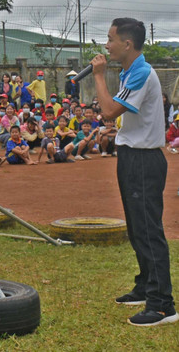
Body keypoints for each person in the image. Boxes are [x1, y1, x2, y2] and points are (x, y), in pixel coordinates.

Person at [91, 18, 176, 326]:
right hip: (132, 154)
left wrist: (98, 76)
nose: (106, 45)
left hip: (144, 159)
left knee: (148, 229)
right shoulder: (130, 71)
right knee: (137, 227)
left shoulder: (141, 71)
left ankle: (163, 304)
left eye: (110, 39)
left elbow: (109, 111)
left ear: (127, 44)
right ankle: (145, 286)